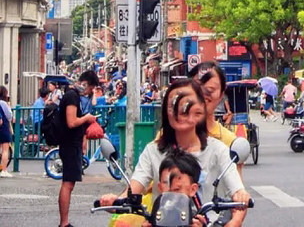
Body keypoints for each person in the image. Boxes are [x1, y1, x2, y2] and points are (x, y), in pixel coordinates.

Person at [98, 78, 249, 227]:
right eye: (173, 104)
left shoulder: (218, 150)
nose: (180, 110)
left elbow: (236, 189)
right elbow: (135, 188)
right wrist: (116, 201)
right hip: (161, 221)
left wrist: (240, 196)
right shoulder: (153, 150)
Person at [58, 70, 100, 227]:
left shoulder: (74, 96)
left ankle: (64, 222)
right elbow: (71, 122)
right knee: (67, 184)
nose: (89, 93)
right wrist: (87, 118)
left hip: (73, 144)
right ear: (85, 84)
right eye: (90, 89)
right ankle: (64, 223)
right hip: (69, 144)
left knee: (70, 184)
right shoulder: (72, 96)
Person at [156, 149, 204, 227]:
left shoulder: (196, 220)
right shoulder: (154, 218)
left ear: (193, 189)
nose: (171, 193)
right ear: (160, 187)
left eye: (177, 189)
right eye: (166, 185)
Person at [0, 85, 13, 178]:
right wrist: (9, 106)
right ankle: (4, 170)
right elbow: (9, 116)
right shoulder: (3, 103)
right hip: (3, 127)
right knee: (5, 150)